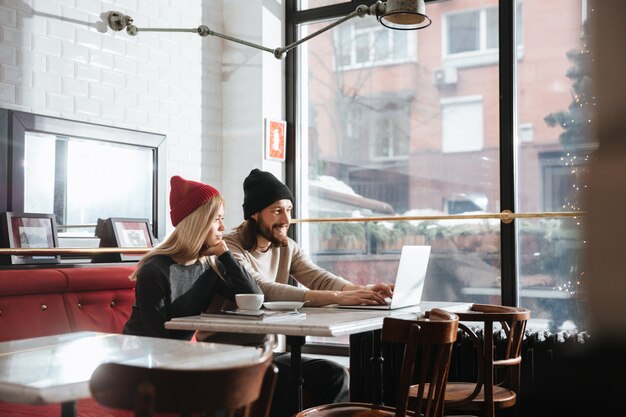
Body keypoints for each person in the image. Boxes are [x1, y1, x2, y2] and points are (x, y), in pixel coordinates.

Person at [222, 168, 394, 417]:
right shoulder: (230, 246)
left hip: (264, 353)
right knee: (287, 385)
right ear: (254, 214)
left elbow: (318, 277)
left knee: (334, 374)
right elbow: (263, 289)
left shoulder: (286, 246)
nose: (286, 219)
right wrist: (338, 298)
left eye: (289, 210)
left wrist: (361, 290)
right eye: (277, 210)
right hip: (227, 353)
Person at [123, 175, 262, 340]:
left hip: (177, 355)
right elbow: (157, 338)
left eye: (222, 219)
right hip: (140, 356)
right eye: (217, 219)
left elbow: (253, 298)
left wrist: (226, 256)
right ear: (198, 223)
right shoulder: (154, 271)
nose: (223, 227)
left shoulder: (211, 266)